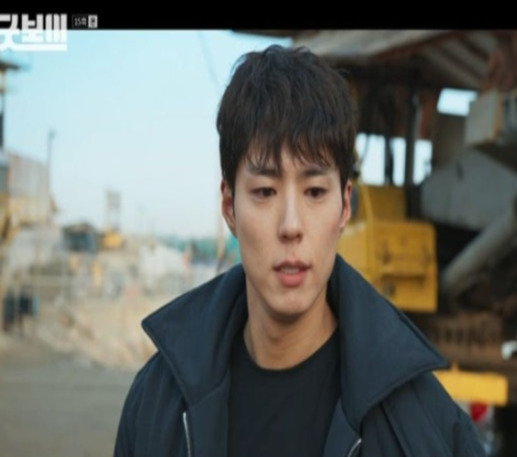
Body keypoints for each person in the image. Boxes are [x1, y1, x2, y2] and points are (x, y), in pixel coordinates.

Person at [114, 44, 485, 457]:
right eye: (265, 191)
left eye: (314, 192)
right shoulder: (156, 407)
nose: (291, 226)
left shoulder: (425, 428)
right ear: (229, 207)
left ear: (344, 207)